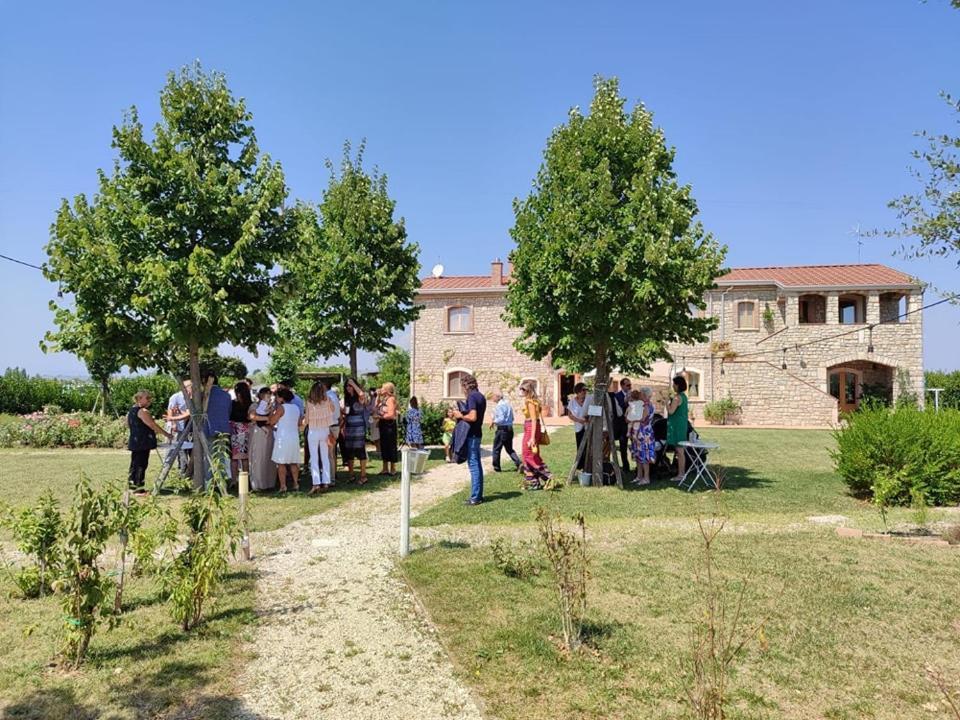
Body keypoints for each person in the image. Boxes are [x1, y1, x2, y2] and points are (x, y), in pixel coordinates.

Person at [127, 390, 171, 494]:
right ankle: (138, 489)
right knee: (141, 465)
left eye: (150, 398)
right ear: (139, 398)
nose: (149, 400)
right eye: (147, 398)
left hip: (135, 441)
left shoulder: (131, 410)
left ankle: (132, 487)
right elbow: (152, 425)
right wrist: (167, 434)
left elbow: (128, 424)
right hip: (142, 442)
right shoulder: (143, 411)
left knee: (135, 464)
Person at [452, 374, 486, 505]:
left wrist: (460, 415)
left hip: (471, 434)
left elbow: (472, 417)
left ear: (466, 385)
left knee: (473, 465)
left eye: (462, 387)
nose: (462, 390)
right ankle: (478, 494)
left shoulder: (472, 396)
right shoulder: (480, 396)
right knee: (476, 464)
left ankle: (475, 497)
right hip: (477, 433)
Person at [302, 381, 336, 495]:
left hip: (313, 431)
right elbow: (333, 410)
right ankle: (326, 482)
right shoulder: (327, 401)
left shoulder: (309, 402)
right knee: (325, 457)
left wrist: (301, 424)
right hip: (325, 430)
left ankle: (316, 483)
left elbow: (306, 419)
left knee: (314, 458)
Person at [518, 379, 552, 490]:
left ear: (528, 390)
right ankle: (533, 481)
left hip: (531, 427)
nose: (521, 391)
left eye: (523, 389)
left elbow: (533, 420)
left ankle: (547, 476)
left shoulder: (530, 402)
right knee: (529, 453)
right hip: (533, 427)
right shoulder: (533, 401)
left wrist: (532, 437)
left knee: (528, 453)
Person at [203, 372, 233, 487]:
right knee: (220, 456)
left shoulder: (204, 395)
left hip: (208, 429)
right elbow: (228, 412)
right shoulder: (226, 395)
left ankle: (208, 484)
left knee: (208, 457)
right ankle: (221, 483)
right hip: (223, 429)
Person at [269, 387, 302, 492]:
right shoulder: (296, 408)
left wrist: (271, 412)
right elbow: (299, 423)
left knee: (281, 462)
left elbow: (272, 421)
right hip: (294, 436)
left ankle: (283, 485)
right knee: (293, 461)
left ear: (281, 398)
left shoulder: (281, 408)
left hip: (283, 436)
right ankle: (296, 483)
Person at [247, 387, 276, 491]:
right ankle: (258, 483)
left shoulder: (270, 406)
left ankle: (269, 482)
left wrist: (269, 419)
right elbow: (252, 416)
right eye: (267, 395)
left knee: (268, 457)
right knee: (258, 456)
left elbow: (273, 419)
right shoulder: (255, 405)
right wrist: (266, 418)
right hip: (257, 432)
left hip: (268, 432)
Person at [341, 379, 369, 483]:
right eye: (347, 386)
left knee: (360, 450)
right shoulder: (347, 398)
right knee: (349, 451)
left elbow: (362, 395)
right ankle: (351, 475)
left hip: (359, 427)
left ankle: (363, 476)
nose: (348, 388)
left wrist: (353, 383)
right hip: (349, 426)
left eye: (350, 386)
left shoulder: (359, 396)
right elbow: (347, 412)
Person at [627, 387, 656, 486]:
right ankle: (639, 476)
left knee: (644, 455)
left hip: (644, 433)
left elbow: (642, 419)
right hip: (640, 432)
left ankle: (646, 478)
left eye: (640, 393)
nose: (639, 395)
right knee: (638, 454)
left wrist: (631, 419)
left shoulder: (647, 406)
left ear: (644, 395)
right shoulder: (644, 405)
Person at [165, 380, 193, 478]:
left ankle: (188, 473)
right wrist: (173, 423)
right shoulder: (176, 397)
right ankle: (182, 472)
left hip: (190, 428)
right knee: (179, 450)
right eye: (191, 387)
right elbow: (170, 411)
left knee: (190, 450)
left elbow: (189, 414)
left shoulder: (193, 397)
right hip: (179, 427)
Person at [488, 391, 521, 472]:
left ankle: (496, 468)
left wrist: (494, 421)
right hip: (509, 428)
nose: (492, 398)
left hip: (502, 429)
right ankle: (519, 463)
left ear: (498, 397)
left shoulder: (499, 406)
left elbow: (501, 419)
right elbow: (512, 418)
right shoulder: (508, 404)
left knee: (496, 449)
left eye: (493, 396)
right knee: (509, 449)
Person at [666, 375, 690, 482]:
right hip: (681, 424)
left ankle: (681, 474)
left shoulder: (677, 398)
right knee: (680, 451)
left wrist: (666, 402)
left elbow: (671, 411)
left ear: (677, 385)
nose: (673, 386)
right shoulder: (683, 396)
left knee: (680, 451)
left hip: (677, 426)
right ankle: (681, 473)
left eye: (674, 384)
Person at [229, 381, 253, 484]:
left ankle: (234, 480)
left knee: (234, 458)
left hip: (235, 430)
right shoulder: (250, 404)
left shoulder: (233, 404)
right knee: (245, 458)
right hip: (247, 430)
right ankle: (246, 479)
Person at [375, 382, 399, 476]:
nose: (381, 389)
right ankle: (385, 468)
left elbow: (391, 414)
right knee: (384, 446)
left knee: (391, 446)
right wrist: (377, 396)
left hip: (389, 425)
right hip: (383, 424)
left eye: (383, 387)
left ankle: (393, 468)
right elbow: (375, 407)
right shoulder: (383, 399)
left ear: (388, 390)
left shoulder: (391, 399)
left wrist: (379, 417)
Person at [566, 383, 590, 470]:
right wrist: (579, 420)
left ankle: (588, 466)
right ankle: (580, 466)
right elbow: (570, 415)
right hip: (578, 427)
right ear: (578, 391)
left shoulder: (589, 400)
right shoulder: (572, 402)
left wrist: (588, 419)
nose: (585, 392)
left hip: (588, 427)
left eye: (586, 390)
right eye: (583, 390)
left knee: (588, 447)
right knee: (580, 447)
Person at [612, 377, 632, 474]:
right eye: (628, 385)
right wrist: (625, 401)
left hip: (632, 424)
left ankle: (635, 466)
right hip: (621, 425)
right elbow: (618, 410)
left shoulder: (633, 395)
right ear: (622, 385)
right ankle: (625, 466)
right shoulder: (617, 396)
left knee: (633, 446)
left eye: (630, 385)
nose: (629, 387)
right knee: (623, 445)